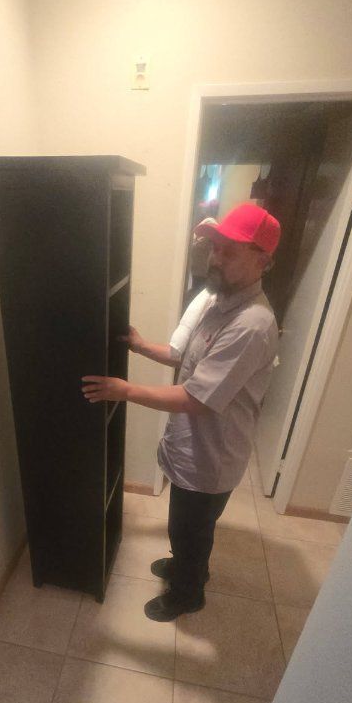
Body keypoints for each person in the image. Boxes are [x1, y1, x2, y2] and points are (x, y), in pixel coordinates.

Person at [82, 202, 281, 622]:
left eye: (230, 251)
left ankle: (188, 593)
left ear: (263, 260)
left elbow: (196, 397)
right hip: (193, 447)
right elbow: (187, 358)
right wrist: (141, 345)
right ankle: (184, 567)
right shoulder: (220, 304)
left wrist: (124, 390)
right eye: (216, 247)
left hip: (211, 457)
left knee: (192, 531)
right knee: (185, 527)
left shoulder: (251, 324)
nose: (216, 257)